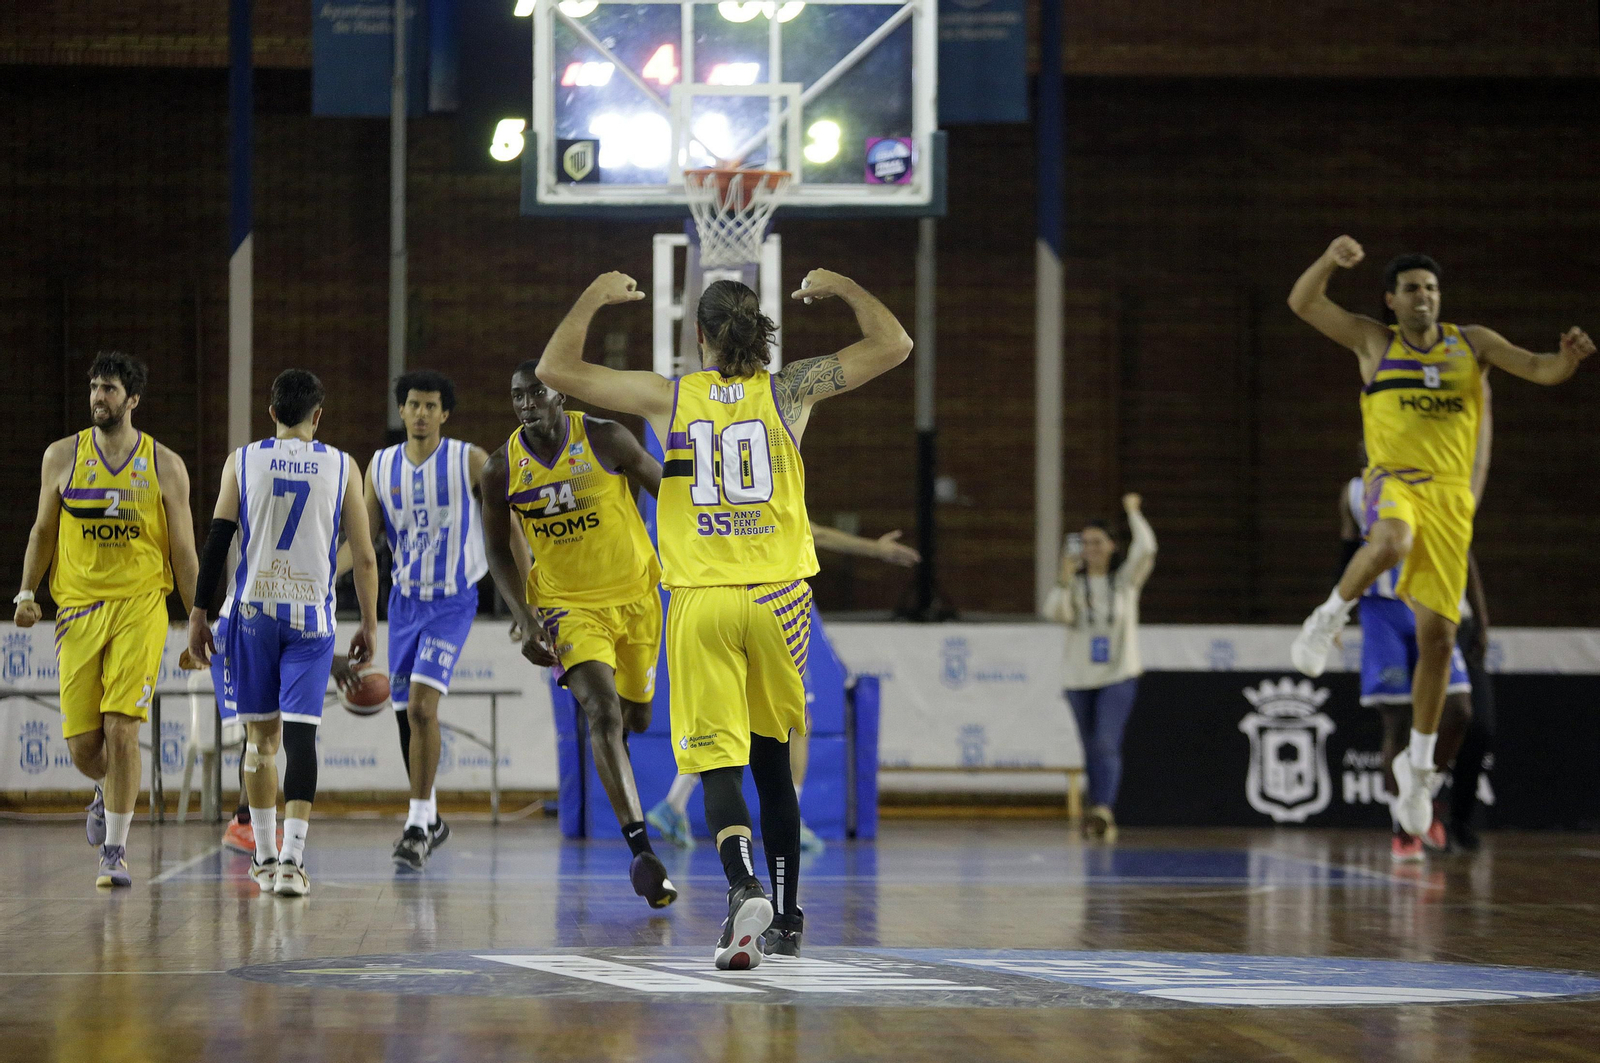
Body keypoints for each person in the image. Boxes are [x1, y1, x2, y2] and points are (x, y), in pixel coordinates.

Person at [536, 269, 911, 969]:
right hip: (779, 599)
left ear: (700, 335)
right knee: (773, 762)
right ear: (761, 331)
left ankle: (741, 888)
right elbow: (894, 343)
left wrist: (590, 294)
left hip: (704, 600)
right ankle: (788, 915)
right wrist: (843, 286)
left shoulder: (669, 397)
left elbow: (557, 368)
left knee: (716, 760)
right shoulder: (791, 390)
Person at [1286, 236, 1592, 839]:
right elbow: (1303, 304)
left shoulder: (1471, 343)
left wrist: (1568, 360)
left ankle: (1421, 769)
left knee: (1440, 635)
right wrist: (1327, 260)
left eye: (1430, 287)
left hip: (1452, 498)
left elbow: (1538, 368)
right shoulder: (1374, 342)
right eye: (1411, 289)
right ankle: (1327, 617)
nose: (1423, 296)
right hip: (1395, 478)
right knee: (1392, 542)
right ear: (1391, 300)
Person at [477, 363, 679, 909]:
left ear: (558, 393)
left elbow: (669, 491)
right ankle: (641, 850)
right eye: (516, 396)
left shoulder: (606, 437)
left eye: (534, 393)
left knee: (636, 716)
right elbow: (497, 548)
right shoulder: (501, 469)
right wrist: (522, 615)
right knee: (603, 713)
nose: (525, 405)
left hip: (637, 598)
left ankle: (622, 768)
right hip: (567, 607)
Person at [187, 369, 380, 898]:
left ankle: (266, 857)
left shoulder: (243, 460)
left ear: (270, 412)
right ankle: (294, 862)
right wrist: (366, 621)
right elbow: (363, 555)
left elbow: (217, 539)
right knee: (300, 738)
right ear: (318, 416)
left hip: (251, 614)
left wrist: (199, 612)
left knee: (260, 742)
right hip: (310, 622)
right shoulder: (342, 465)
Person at [13, 352, 199, 888]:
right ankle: (104, 789)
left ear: (133, 399)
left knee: (123, 729)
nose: (99, 397)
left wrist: (201, 621)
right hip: (77, 609)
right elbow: (42, 531)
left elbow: (185, 553)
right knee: (85, 749)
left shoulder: (165, 465)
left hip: (141, 607)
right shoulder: (62, 456)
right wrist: (28, 591)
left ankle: (115, 851)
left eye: (110, 389)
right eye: (95, 387)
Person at [645, 524, 921, 851]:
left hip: (708, 610)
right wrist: (875, 550)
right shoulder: (770, 491)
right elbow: (816, 534)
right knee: (795, 720)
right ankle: (791, 820)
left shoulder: (703, 497)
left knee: (728, 722)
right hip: (766, 611)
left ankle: (675, 804)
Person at [333, 371, 488, 870]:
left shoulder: (470, 461)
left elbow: (508, 527)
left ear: (445, 414)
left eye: (430, 406)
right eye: (413, 405)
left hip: (452, 600)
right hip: (404, 603)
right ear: (401, 412)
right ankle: (432, 817)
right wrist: (314, 579)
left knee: (422, 707)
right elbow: (363, 545)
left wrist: (529, 599)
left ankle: (417, 823)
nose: (420, 413)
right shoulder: (379, 466)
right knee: (406, 716)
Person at [1340, 453, 1480, 861]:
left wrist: (1478, 615)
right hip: (1382, 610)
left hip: (1429, 600)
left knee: (1459, 712)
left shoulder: (1440, 479)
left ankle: (1419, 794)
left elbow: (1462, 549)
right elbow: (1348, 553)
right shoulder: (1353, 492)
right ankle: (1404, 828)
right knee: (1398, 721)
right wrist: (1336, 611)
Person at [1043, 494, 1156, 843]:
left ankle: (1104, 809)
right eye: (1085, 542)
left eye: (1097, 542)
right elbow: (1055, 613)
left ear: (1111, 546)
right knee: (1090, 747)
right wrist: (1063, 578)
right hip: (1079, 678)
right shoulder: (1074, 586)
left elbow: (1147, 548)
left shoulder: (1124, 583)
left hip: (1118, 674)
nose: (1090, 548)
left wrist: (1133, 512)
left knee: (1106, 741)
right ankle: (1096, 812)